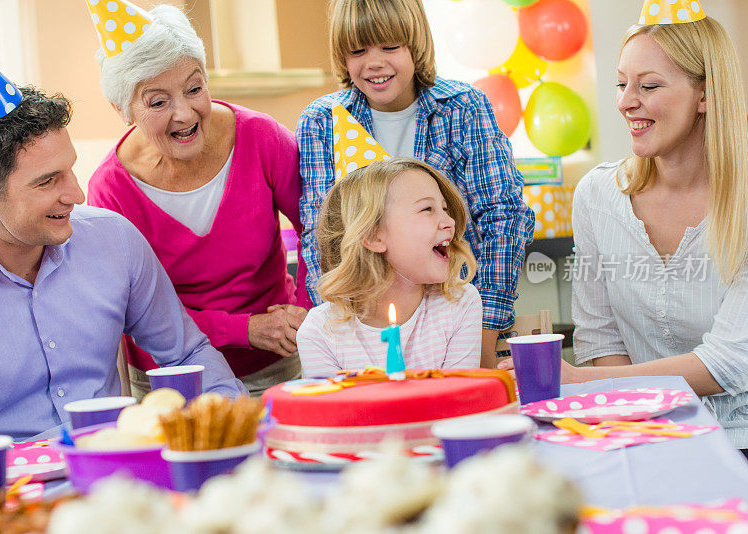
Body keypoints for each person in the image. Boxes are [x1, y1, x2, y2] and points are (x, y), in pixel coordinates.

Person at [500, 7, 748, 454]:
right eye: (622, 83)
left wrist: (579, 380)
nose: (625, 101)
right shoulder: (598, 195)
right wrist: (640, 419)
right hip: (643, 432)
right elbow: (600, 336)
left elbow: (729, 363)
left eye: (648, 86)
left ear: (705, 95)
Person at [0, 79, 247, 440]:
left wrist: (232, 416)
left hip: (113, 473)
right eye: (47, 182)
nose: (76, 193)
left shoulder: (114, 240)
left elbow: (186, 355)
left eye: (70, 170)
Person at [84, 2, 311, 397]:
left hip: (279, 363)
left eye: (195, 88)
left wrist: (306, 311)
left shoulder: (262, 138)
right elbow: (133, 311)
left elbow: (321, 230)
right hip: (173, 381)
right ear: (121, 109)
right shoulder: (110, 190)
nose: (185, 113)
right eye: (158, 102)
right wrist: (244, 329)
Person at [296, 0, 534, 369]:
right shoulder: (322, 121)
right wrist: (344, 332)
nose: (374, 62)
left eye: (390, 46)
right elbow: (320, 236)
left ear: (415, 45)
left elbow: (503, 218)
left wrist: (484, 328)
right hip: (364, 334)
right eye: (358, 50)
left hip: (456, 322)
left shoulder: (463, 107)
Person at [297, 158, 482, 377]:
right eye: (427, 209)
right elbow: (334, 410)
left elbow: (459, 400)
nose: (449, 221)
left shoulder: (460, 303)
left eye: (444, 208)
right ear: (373, 236)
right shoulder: (319, 332)